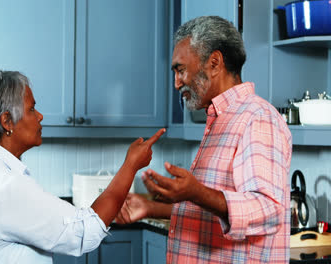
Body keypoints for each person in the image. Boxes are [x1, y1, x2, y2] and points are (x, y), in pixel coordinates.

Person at [116, 16, 292, 263]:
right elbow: (213, 214)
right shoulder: (219, 120)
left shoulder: (257, 118)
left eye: (181, 69)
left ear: (215, 63)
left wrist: (196, 192)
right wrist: (151, 208)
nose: (177, 83)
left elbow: (268, 209)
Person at [0, 70, 165, 264]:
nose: (40, 116)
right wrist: (130, 165)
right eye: (31, 109)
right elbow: (85, 232)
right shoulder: (4, 185)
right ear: (7, 121)